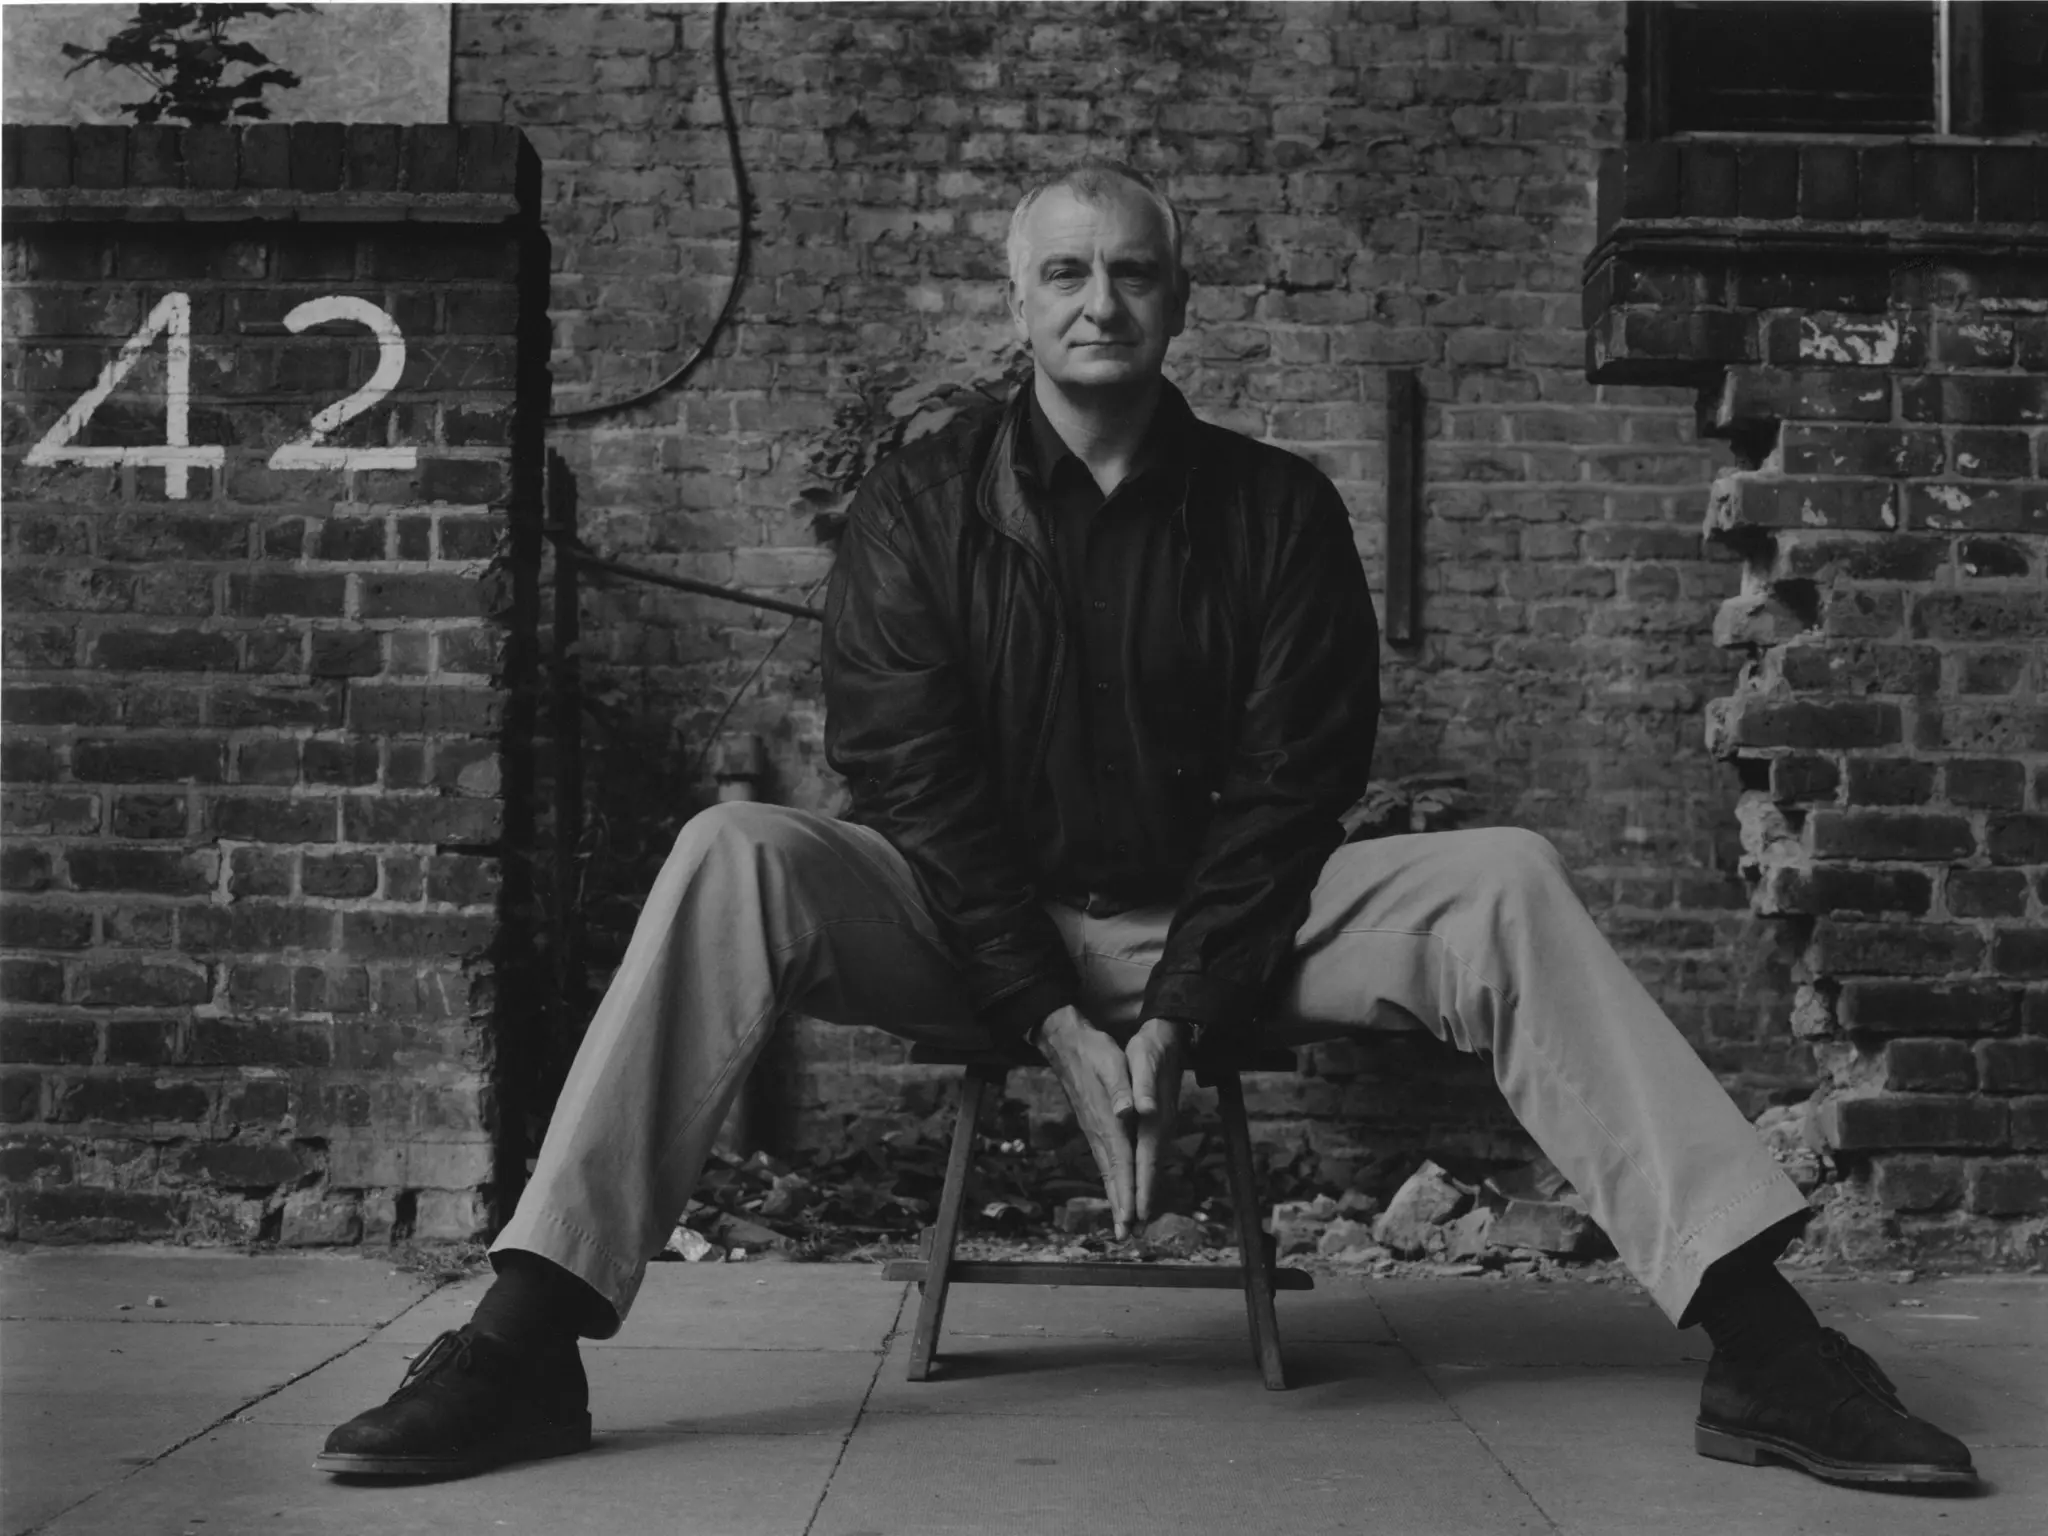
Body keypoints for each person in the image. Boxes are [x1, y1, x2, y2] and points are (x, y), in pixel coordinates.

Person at [317, 161, 1976, 1490]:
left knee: (1505, 878)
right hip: (974, 927)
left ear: (1178, 301)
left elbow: (1292, 790)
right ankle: (528, 1339)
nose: (1098, 301)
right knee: (731, 851)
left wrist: (1180, 1010)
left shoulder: (1276, 508)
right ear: (1018, 303)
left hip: (1231, 926)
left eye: (1132, 273)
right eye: (1065, 272)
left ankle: (1765, 1346)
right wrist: (1050, 1016)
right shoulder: (920, 506)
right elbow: (917, 787)